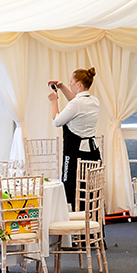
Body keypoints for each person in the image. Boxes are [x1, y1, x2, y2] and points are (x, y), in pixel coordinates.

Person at [47, 67, 100, 209]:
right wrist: (63, 87)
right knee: (88, 190)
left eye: (71, 82)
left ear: (79, 84)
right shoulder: (94, 101)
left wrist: (54, 101)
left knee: (70, 188)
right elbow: (75, 103)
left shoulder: (76, 104)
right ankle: (91, 224)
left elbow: (56, 121)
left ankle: (72, 222)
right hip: (93, 153)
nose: (69, 84)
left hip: (75, 153)